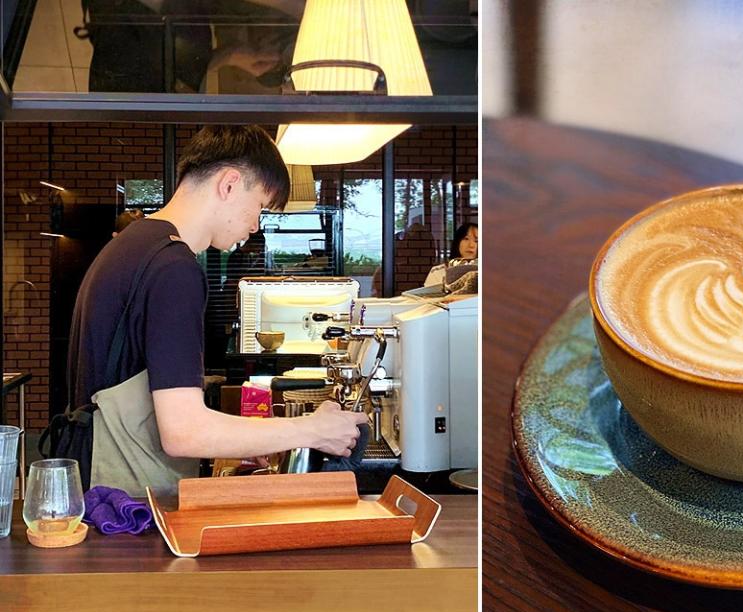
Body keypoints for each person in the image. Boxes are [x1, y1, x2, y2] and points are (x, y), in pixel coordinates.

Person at [64, 125, 365, 494]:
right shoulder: (174, 268)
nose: (254, 227)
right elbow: (185, 433)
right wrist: (313, 430)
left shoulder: (136, 245)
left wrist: (253, 437)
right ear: (229, 184)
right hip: (128, 503)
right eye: (259, 207)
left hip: (98, 481)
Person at [424, 222, 479, 287]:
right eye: (466, 239)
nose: (471, 245)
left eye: (476, 241)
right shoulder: (438, 272)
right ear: (457, 242)